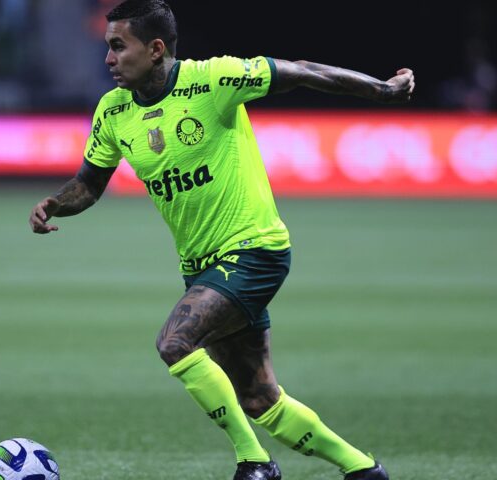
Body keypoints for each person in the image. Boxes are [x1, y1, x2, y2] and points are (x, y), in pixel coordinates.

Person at [28, 1, 414, 479]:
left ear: (154, 49)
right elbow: (89, 183)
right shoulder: (113, 112)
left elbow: (303, 71)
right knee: (259, 398)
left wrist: (381, 89)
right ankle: (363, 470)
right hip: (201, 267)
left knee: (175, 342)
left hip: (254, 249)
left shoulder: (214, 80)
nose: (108, 58)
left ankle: (254, 464)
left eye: (117, 46)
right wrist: (55, 204)